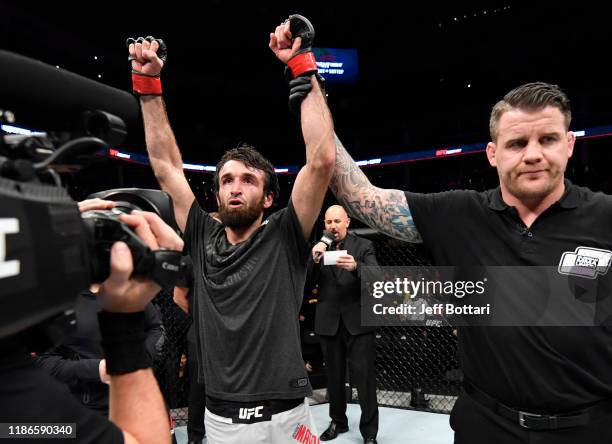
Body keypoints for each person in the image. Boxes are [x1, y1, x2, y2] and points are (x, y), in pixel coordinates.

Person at [328, 82, 612, 443]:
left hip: (592, 428)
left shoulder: (606, 217)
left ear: (569, 144)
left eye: (548, 139)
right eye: (517, 143)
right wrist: (306, 82)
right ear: (493, 153)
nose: (533, 154)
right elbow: (358, 195)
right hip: (486, 426)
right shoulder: (460, 213)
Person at [126, 17, 335, 443]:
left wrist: (301, 64)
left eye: (248, 180)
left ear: (269, 196)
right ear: (218, 193)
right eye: (226, 180)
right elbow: (166, 167)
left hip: (291, 418)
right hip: (222, 421)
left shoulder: (285, 235)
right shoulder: (202, 235)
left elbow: (321, 161)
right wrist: (147, 84)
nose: (235, 188)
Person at [0, 200, 183, 444]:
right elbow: (45, 362)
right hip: (83, 405)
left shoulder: (126, 290)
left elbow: (156, 329)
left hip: (133, 395)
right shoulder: (63, 301)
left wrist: (139, 355)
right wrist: (100, 368)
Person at [307, 205, 379, 444]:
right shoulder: (319, 248)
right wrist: (313, 258)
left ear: (347, 222)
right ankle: (338, 422)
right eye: (328, 222)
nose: (333, 226)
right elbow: (305, 283)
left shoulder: (363, 246)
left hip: (358, 324)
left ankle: (369, 434)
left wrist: (356, 267)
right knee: (334, 380)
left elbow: (378, 277)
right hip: (329, 323)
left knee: (365, 380)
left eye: (337, 221)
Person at [36, 288, 163, 417]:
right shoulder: (60, 301)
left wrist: (138, 358)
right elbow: (45, 361)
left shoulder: (130, 288)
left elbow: (156, 329)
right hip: (89, 408)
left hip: (140, 396)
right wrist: (96, 369)